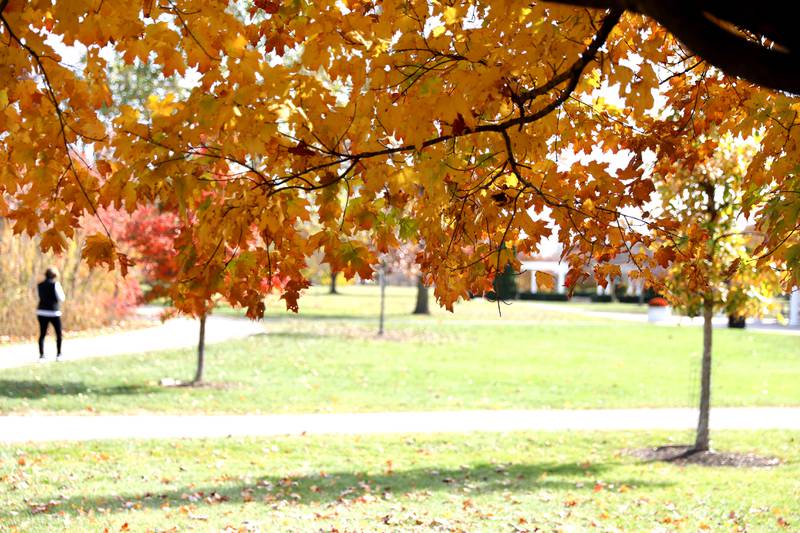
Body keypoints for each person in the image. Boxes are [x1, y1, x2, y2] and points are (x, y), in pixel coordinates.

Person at [36, 267, 66, 361]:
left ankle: (42, 356)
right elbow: (62, 298)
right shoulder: (55, 284)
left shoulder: (39, 285)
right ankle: (59, 354)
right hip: (54, 312)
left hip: (41, 311)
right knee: (58, 333)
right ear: (54, 275)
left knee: (42, 334)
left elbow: (39, 297)